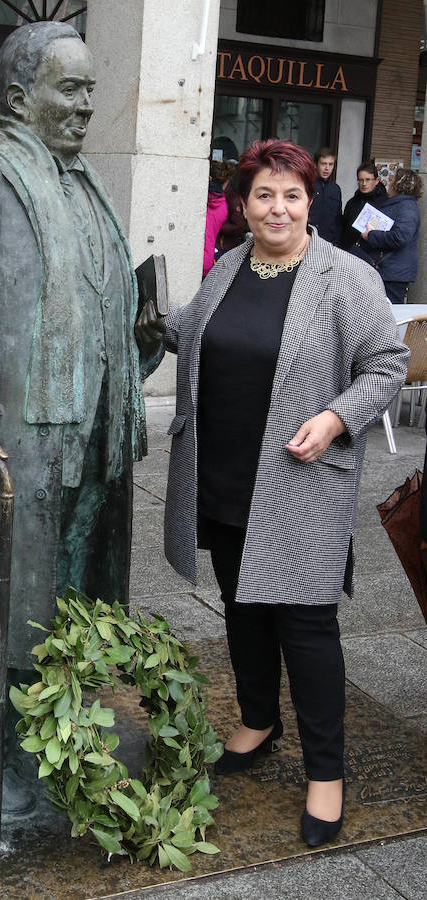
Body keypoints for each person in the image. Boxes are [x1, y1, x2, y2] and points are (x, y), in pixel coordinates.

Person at [0, 21, 163, 814]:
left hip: (84, 430)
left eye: (94, 89)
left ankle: (46, 730)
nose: (88, 106)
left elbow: (92, 291)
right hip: (11, 433)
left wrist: (135, 335)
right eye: (73, 89)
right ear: (21, 97)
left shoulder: (84, 182)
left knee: (61, 593)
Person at [161, 139, 407, 848]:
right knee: (242, 608)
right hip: (226, 473)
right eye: (264, 195)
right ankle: (258, 719)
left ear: (311, 201)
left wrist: (335, 418)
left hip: (300, 480)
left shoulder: (344, 276)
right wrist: (147, 316)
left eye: (291, 194)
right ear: (244, 204)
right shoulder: (231, 265)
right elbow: (196, 331)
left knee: (305, 627)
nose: (277, 207)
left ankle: (325, 772)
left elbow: (387, 362)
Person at [362, 167, 422, 304]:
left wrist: (371, 235)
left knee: (391, 314)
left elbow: (400, 237)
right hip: (389, 270)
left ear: (399, 184)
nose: (389, 183)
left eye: (393, 180)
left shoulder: (406, 208)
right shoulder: (401, 205)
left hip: (393, 274)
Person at [341, 161, 387, 252]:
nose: (364, 184)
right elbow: (344, 228)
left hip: (373, 254)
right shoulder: (352, 203)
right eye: (361, 180)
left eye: (368, 180)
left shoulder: (385, 203)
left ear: (377, 180)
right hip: (350, 253)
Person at [308, 147, 342, 244]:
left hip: (329, 241)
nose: (327, 168)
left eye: (330, 164)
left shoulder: (336, 189)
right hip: (308, 239)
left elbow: (338, 219)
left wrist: (336, 241)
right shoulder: (308, 186)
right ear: (315, 165)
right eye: (323, 164)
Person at [203, 160, 229, 278]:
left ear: (208, 178)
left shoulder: (200, 199)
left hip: (192, 258)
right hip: (208, 260)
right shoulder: (223, 206)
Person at [217, 160, 247, 254]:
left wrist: (217, 227)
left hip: (224, 247)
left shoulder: (232, 198)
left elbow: (239, 225)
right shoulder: (219, 195)